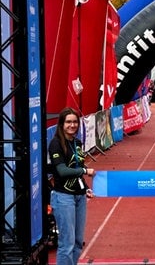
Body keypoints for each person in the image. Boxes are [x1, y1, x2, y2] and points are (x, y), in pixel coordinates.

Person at [48, 107, 95, 265]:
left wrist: (85, 187)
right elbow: (62, 170)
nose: (72, 125)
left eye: (75, 122)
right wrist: (84, 170)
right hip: (63, 197)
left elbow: (76, 169)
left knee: (77, 242)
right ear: (61, 124)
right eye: (68, 122)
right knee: (66, 244)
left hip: (79, 196)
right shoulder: (56, 144)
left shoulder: (77, 143)